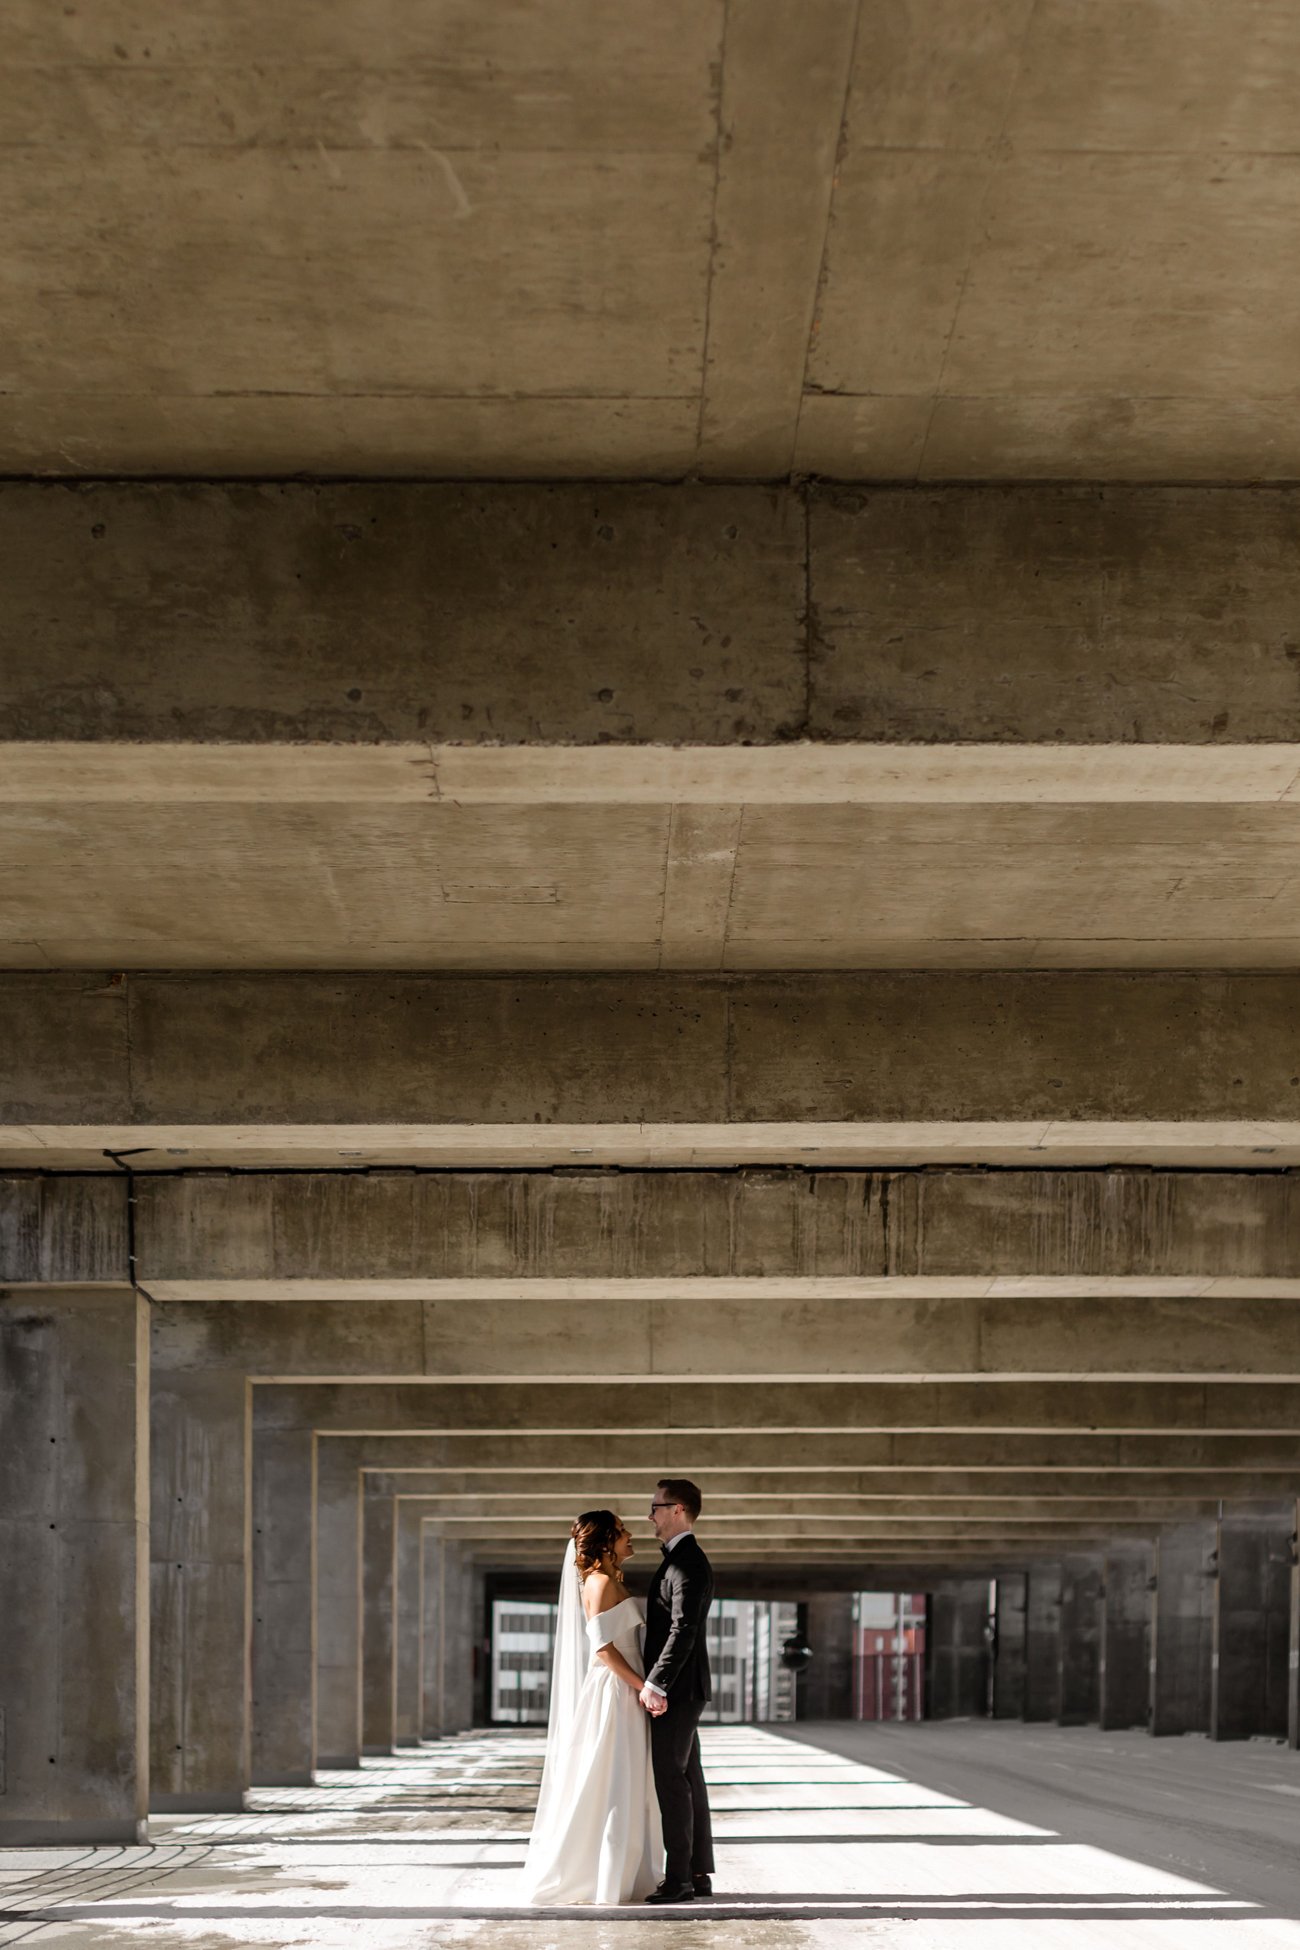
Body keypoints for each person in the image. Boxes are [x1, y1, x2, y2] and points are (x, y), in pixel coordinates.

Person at [521, 1510, 663, 1905]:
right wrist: (644, 1687)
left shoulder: (607, 1580)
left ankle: (622, 1871)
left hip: (625, 1688)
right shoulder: (600, 1582)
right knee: (616, 1778)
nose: (631, 1534)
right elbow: (603, 1650)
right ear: (604, 1542)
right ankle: (605, 1875)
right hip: (616, 1692)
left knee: (627, 1778)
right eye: (621, 1531)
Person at [639, 1477, 716, 1904]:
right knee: (688, 1778)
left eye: (656, 1506)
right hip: (686, 1688)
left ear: (678, 1509)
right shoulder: (681, 1559)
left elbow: (683, 1629)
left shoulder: (688, 1562)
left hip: (679, 1690)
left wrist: (656, 1682)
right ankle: (695, 1874)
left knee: (672, 1781)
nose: (650, 1515)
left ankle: (679, 1880)